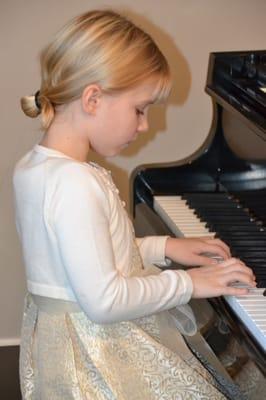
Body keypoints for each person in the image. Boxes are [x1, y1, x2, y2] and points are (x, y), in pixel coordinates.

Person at [13, 9, 256, 400]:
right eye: (140, 110)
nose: (145, 126)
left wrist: (165, 247)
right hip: (100, 356)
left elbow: (85, 260)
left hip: (68, 345)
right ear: (93, 98)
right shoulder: (76, 183)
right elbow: (105, 301)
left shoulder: (34, 168)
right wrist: (190, 282)